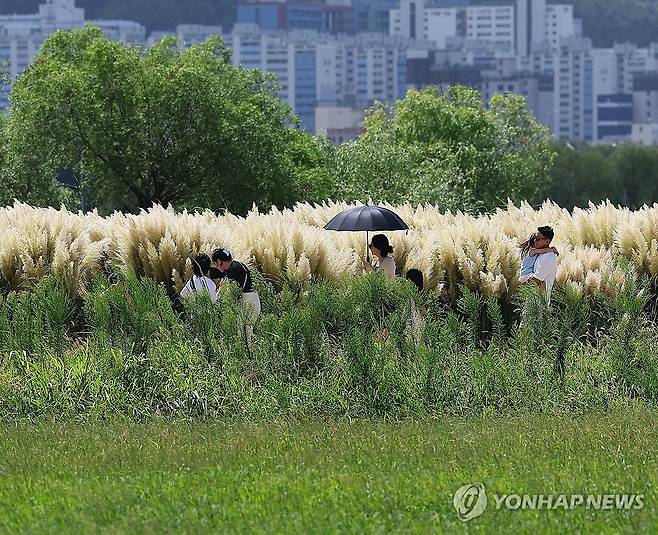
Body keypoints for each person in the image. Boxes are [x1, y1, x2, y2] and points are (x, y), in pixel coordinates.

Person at [210, 248, 261, 334]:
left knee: (243, 332)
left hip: (248, 300)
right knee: (244, 331)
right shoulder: (236, 265)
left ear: (219, 262)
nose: (217, 267)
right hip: (251, 298)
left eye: (216, 265)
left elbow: (224, 290)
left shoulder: (232, 270)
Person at [520, 226, 558, 304]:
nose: (535, 241)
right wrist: (551, 249)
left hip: (539, 307)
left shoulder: (548, 256)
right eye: (534, 238)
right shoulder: (537, 252)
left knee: (541, 283)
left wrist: (524, 284)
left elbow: (537, 280)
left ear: (547, 241)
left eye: (537, 239)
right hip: (532, 304)